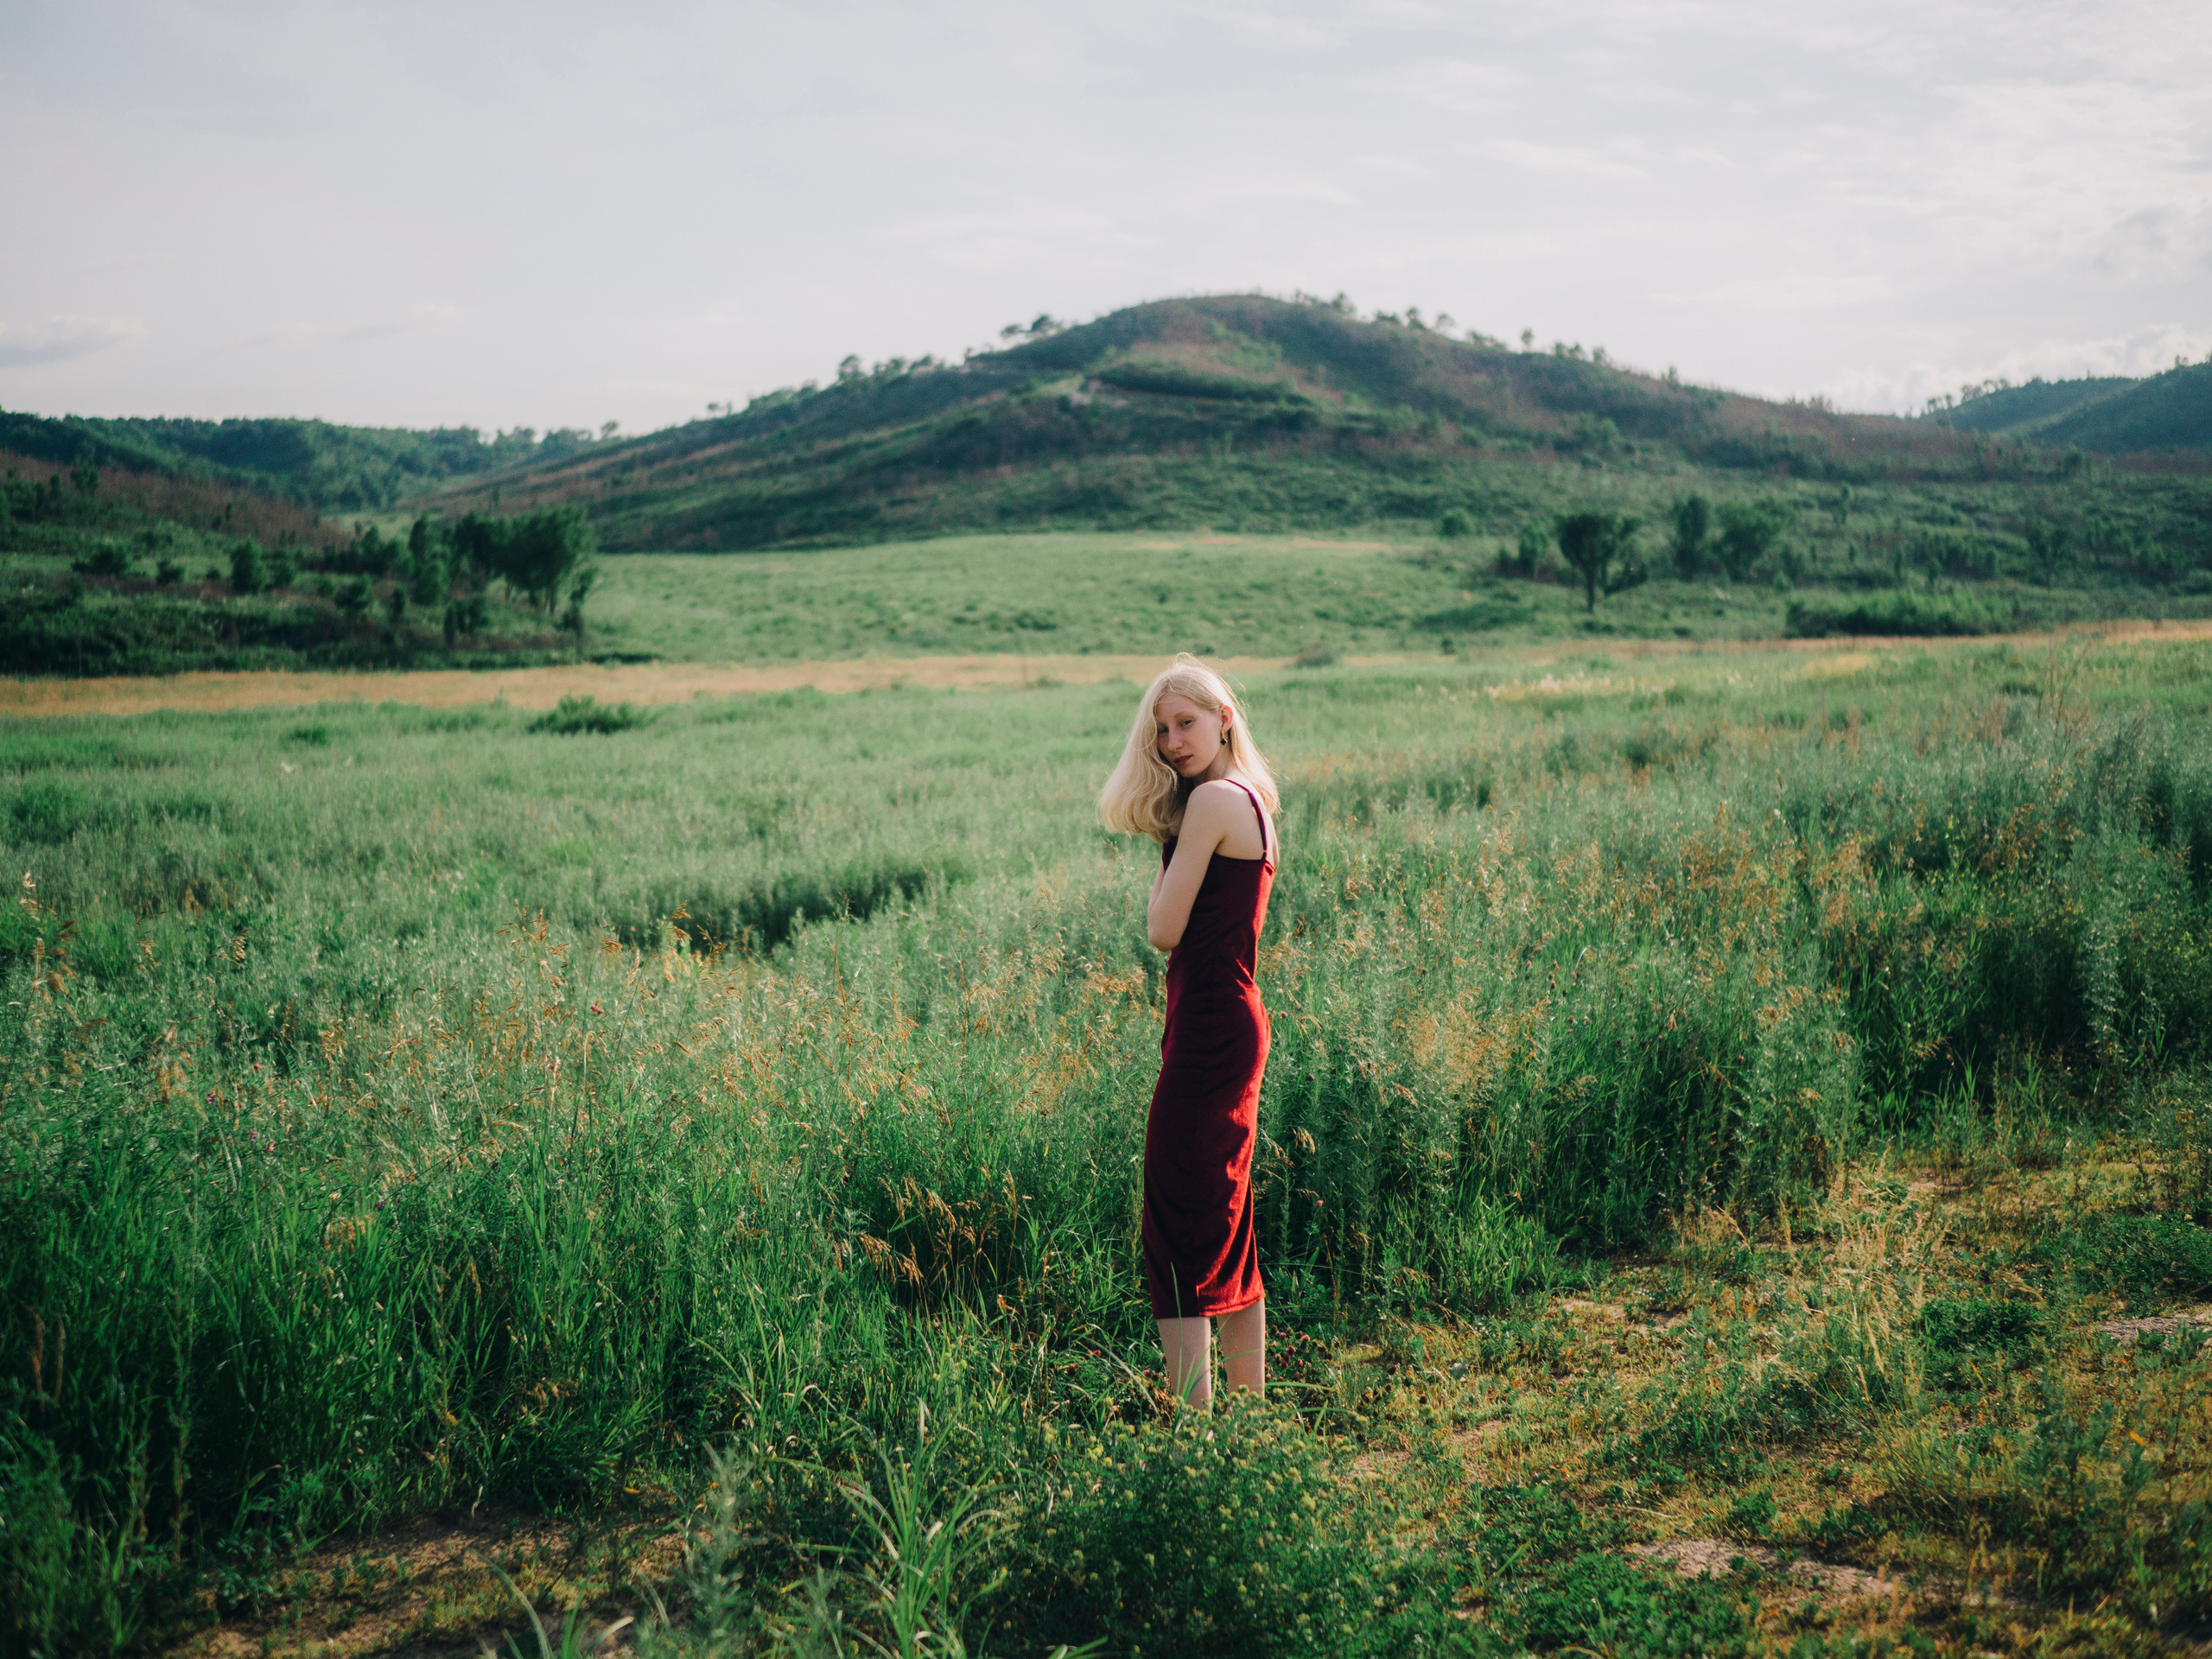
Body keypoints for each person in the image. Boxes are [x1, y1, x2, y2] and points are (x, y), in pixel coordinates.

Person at [1097, 653, 1281, 1407]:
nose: (1173, 741)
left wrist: (1170, 850)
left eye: (1187, 722)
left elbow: (1162, 928)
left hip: (1209, 1025)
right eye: (1162, 729)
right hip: (1228, 1017)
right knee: (1225, 1214)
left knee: (1175, 1221)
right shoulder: (1252, 795)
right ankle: (1249, 1410)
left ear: (1225, 717)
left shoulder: (1209, 804)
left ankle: (1194, 1431)